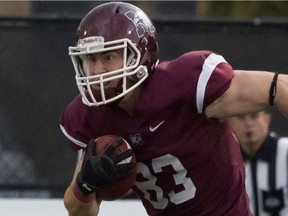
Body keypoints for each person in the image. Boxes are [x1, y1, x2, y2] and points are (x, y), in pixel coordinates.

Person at [59, 2, 288, 216]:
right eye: (91, 59)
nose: (98, 70)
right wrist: (85, 184)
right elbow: (77, 210)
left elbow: (279, 87)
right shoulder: (91, 116)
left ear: (140, 55)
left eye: (108, 56)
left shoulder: (186, 85)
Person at [228, 111, 288, 216]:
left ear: (267, 119)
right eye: (241, 118)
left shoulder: (285, 150)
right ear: (230, 124)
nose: (248, 123)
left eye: (254, 116)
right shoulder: (227, 163)